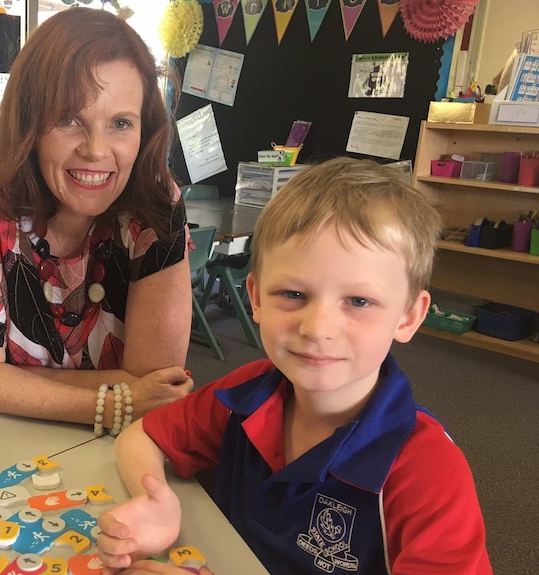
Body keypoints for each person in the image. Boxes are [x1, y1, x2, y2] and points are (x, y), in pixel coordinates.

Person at [97, 158, 492, 574]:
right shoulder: (248, 393)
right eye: (293, 294)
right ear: (257, 298)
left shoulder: (427, 470)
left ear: (409, 316)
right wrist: (157, 499)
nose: (318, 328)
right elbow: (142, 436)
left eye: (359, 301)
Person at [0, 8, 193, 429]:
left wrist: (10, 383)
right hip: (2, 434)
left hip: (123, 446)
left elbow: (155, 386)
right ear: (30, 121)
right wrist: (120, 401)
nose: (97, 150)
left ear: (145, 128)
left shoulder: (156, 202)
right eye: (68, 119)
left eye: (121, 122)